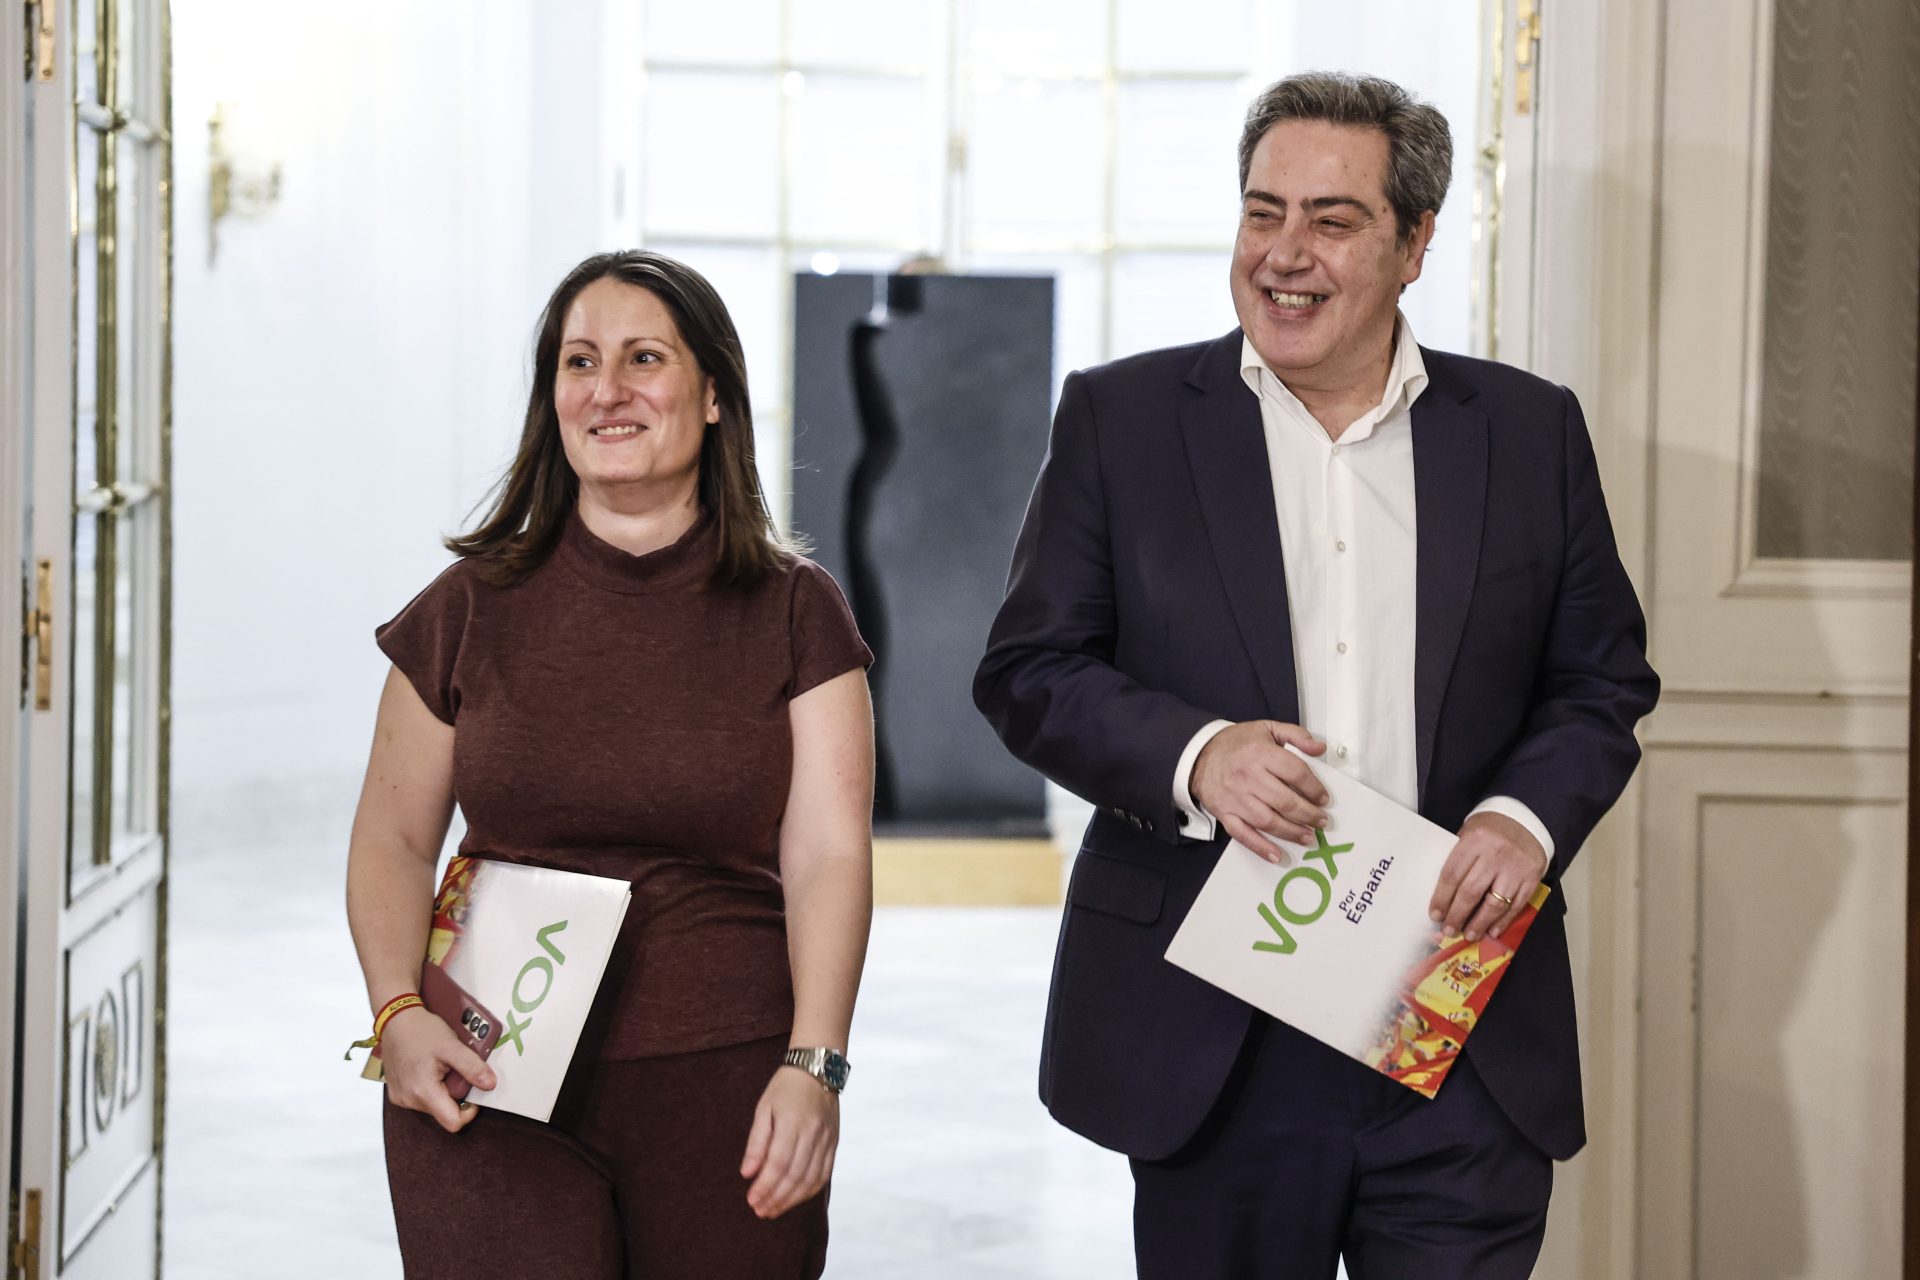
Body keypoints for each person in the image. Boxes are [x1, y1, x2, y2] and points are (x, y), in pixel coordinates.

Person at [973, 71, 1659, 1279]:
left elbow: (1599, 679)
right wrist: (1198, 757)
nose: (1284, 254)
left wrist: (1522, 818)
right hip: (1214, 1033)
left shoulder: (1529, 430)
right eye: (1262, 212)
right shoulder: (1122, 420)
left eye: (1332, 220)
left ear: (1414, 244)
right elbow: (1030, 670)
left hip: (1457, 1020)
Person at [345, 250, 875, 1279]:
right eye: (580, 362)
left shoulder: (796, 611)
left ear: (713, 394)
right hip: (483, 1071)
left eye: (644, 358)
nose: (607, 390)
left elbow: (828, 857)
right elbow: (392, 840)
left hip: (725, 1078)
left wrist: (816, 1064)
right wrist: (396, 1014)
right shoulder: (465, 607)